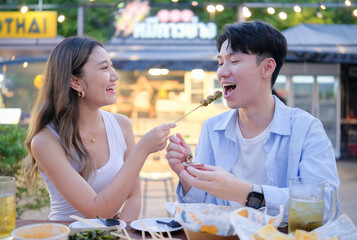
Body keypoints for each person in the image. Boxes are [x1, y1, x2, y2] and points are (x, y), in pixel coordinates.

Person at [166, 21, 340, 219]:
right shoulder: (212, 129)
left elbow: (325, 205)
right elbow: (202, 210)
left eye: (234, 61)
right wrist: (187, 177)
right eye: (220, 62)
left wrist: (246, 193)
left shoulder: (306, 129)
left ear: (267, 68)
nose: (222, 72)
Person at [22, 36, 175, 221]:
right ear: (75, 82)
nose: (115, 76)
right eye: (104, 68)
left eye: (112, 66)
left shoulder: (122, 125)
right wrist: (142, 150)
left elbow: (133, 198)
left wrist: (118, 234)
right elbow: (97, 211)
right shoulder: (45, 141)